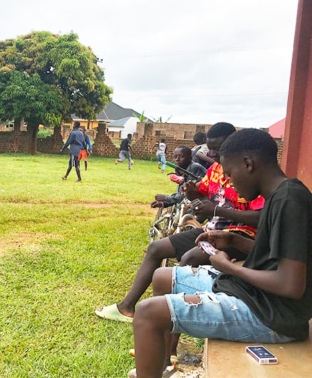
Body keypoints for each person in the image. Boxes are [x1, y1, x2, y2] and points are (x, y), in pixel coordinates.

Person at [129, 128, 312, 378]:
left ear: (248, 164)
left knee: (147, 313)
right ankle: (162, 368)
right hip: (257, 295)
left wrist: (229, 268)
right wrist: (233, 239)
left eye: (230, 174)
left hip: (272, 316)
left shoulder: (290, 202)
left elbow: (291, 285)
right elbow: (275, 255)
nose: (231, 183)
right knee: (162, 276)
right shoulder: (279, 195)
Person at [95, 123, 264, 367]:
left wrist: (215, 208)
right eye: (212, 149)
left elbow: (261, 217)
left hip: (241, 235)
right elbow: (202, 196)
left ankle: (168, 351)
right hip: (212, 229)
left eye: (219, 149)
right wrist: (192, 192)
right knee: (157, 249)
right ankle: (127, 307)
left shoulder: (246, 172)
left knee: (188, 261)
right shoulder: (216, 170)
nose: (214, 155)